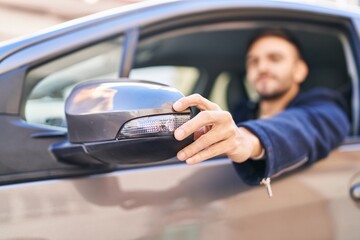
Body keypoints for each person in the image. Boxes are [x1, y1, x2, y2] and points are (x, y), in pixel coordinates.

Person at [172, 29, 350, 197]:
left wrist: (247, 140)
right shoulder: (240, 113)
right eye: (253, 61)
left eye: (275, 58)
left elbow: (309, 125)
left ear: (299, 71)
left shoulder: (323, 105)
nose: (262, 67)